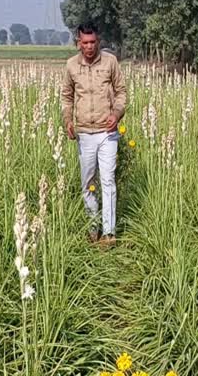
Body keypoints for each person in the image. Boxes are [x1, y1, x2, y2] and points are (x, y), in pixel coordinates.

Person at [61, 23, 127, 246]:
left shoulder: (110, 62)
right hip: (84, 135)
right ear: (78, 43)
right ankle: (93, 227)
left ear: (98, 41)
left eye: (93, 42)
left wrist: (117, 114)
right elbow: (67, 97)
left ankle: (109, 234)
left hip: (107, 133)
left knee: (108, 181)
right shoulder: (71, 66)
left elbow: (121, 92)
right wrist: (68, 121)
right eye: (85, 42)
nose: (89, 46)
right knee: (87, 183)